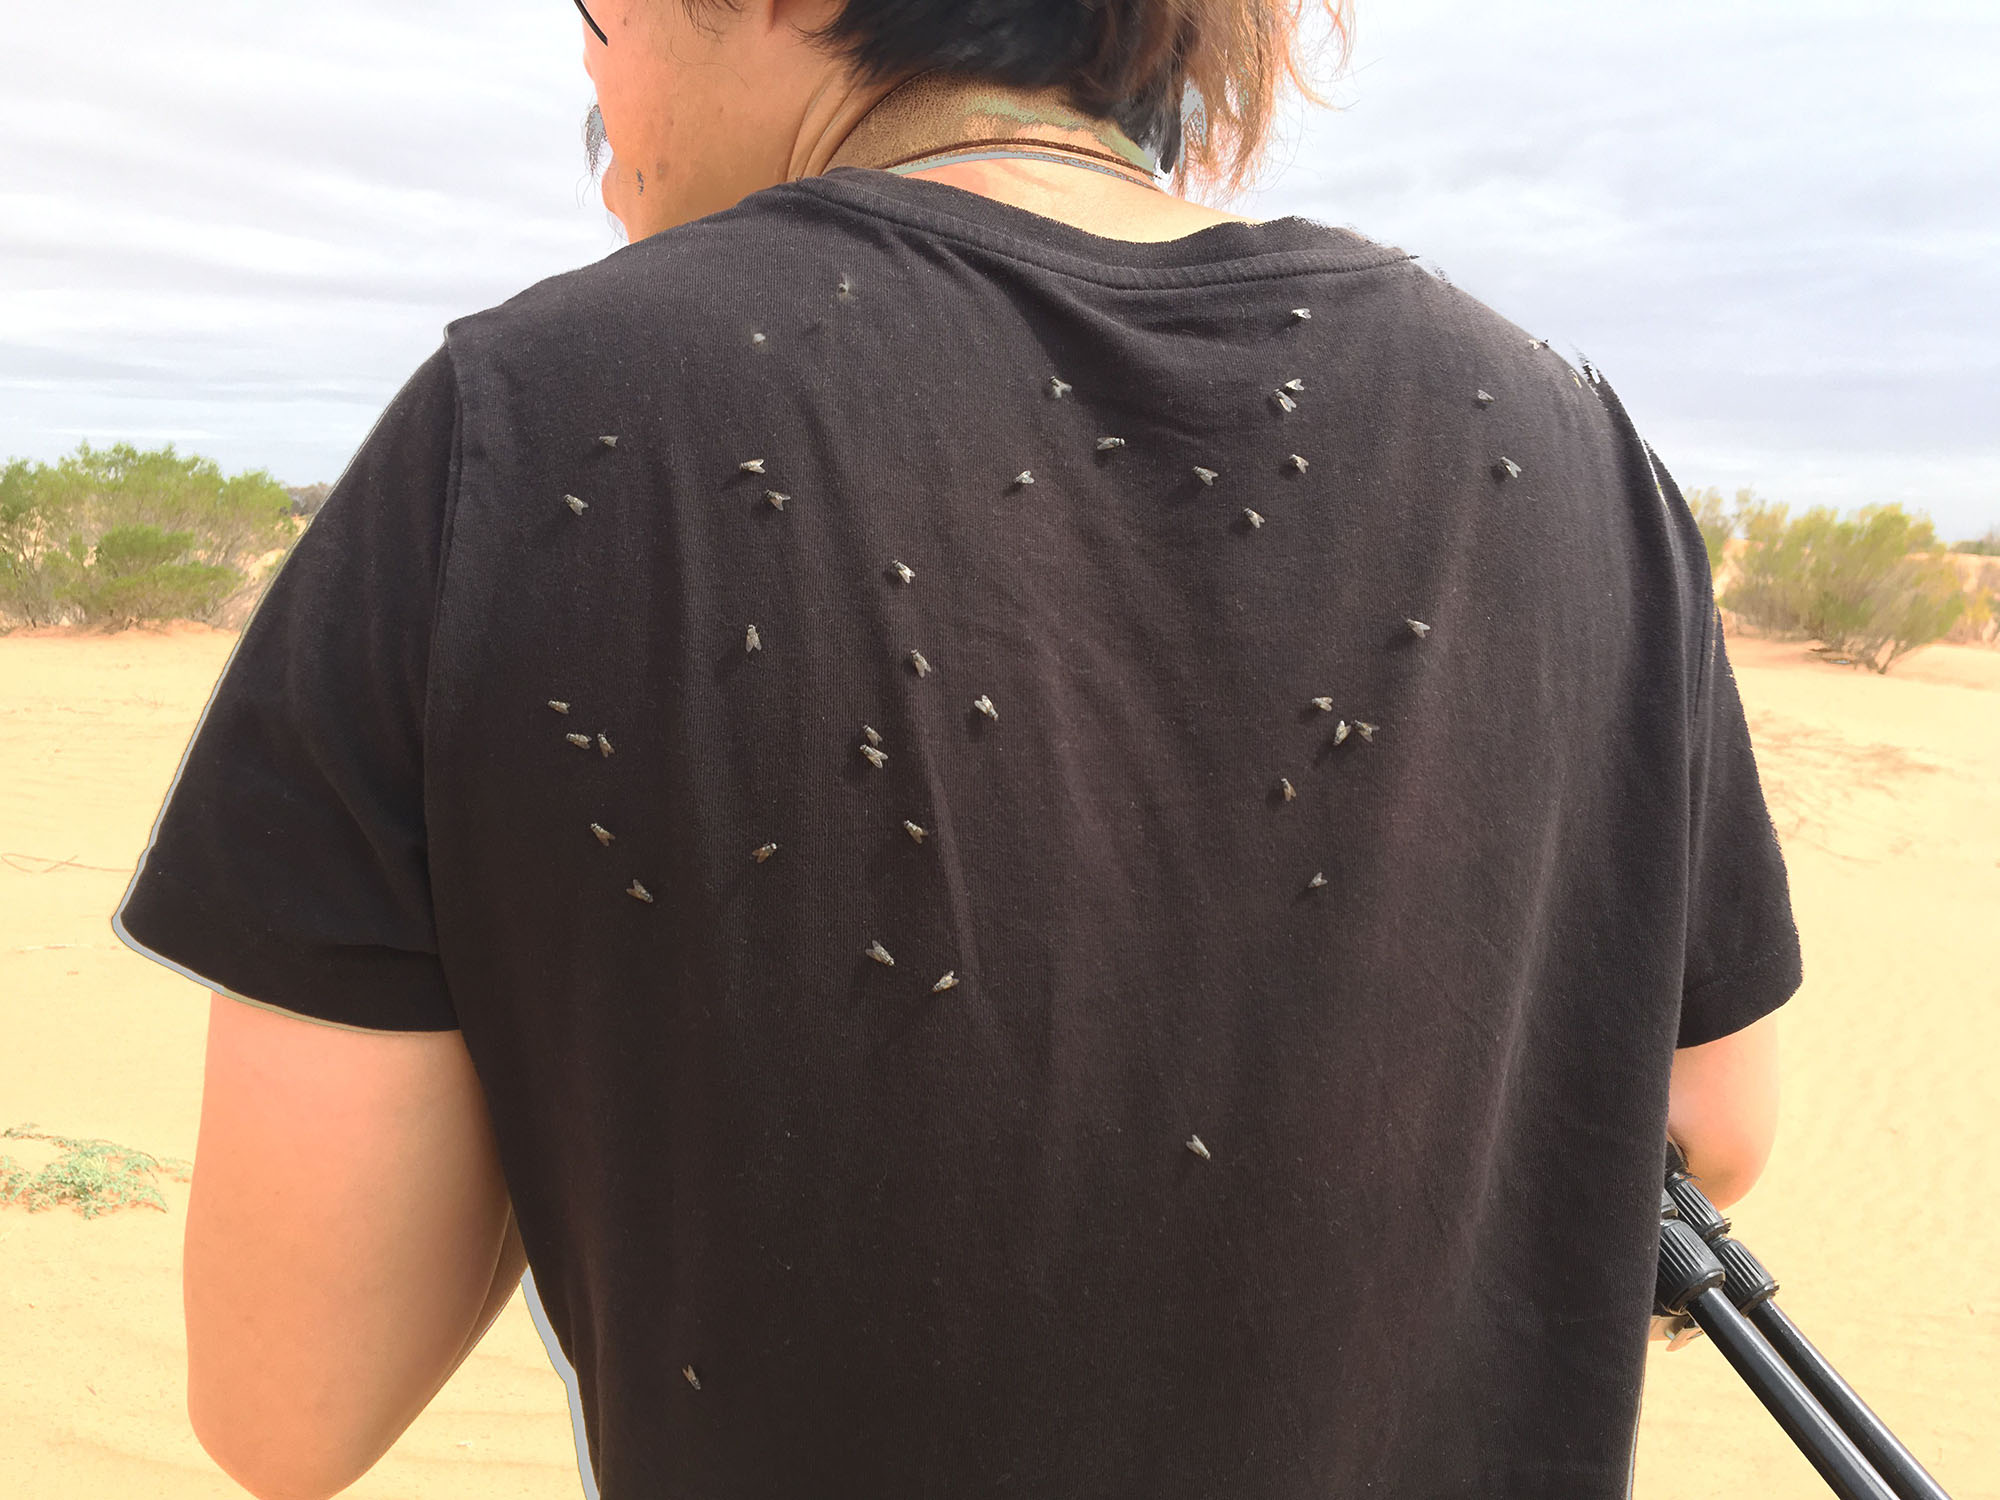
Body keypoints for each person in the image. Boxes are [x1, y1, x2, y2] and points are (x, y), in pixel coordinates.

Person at [112, 1, 1801, 1496]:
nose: (596, 94)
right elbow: (1709, 1124)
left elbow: (290, 1399)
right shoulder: (1563, 436)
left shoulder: (528, 420)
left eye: (591, 20)